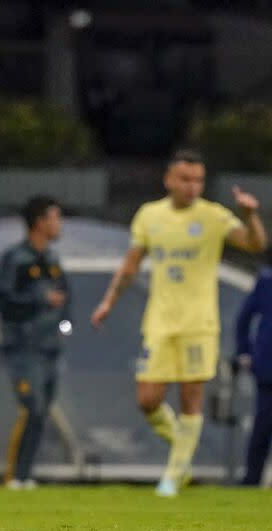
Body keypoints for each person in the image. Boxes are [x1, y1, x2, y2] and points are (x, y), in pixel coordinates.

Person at [91, 149, 267, 497]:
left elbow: (255, 243)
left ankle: (171, 477)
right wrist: (109, 301)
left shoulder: (214, 216)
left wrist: (250, 216)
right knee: (148, 400)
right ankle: (183, 454)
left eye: (198, 180)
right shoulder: (149, 215)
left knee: (191, 398)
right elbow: (131, 264)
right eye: (185, 179)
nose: (192, 186)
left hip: (198, 323)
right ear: (169, 179)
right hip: (159, 320)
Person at [0, 196, 70, 489]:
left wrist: (64, 329)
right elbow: (4, 302)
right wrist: (39, 299)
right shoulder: (15, 259)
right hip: (24, 348)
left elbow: (66, 301)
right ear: (40, 221)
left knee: (43, 411)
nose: (59, 224)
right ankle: (14, 476)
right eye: (55, 217)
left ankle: (25, 477)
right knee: (31, 408)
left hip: (50, 347)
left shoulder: (53, 260)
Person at [235, 248, 272, 486]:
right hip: (268, 366)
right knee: (263, 425)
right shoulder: (267, 280)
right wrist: (244, 352)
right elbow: (243, 319)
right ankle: (251, 479)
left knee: (262, 425)